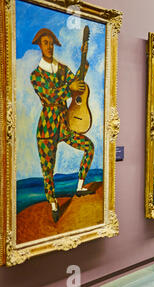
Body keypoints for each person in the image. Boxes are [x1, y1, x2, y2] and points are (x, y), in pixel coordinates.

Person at [30, 28, 95, 223]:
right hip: (46, 130)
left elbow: (77, 83)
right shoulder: (35, 76)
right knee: (48, 169)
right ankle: (52, 203)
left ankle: (79, 186)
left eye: (51, 43)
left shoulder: (63, 69)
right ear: (40, 46)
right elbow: (50, 96)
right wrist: (70, 88)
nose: (49, 46)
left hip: (65, 126)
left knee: (89, 147)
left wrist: (84, 65)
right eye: (45, 43)